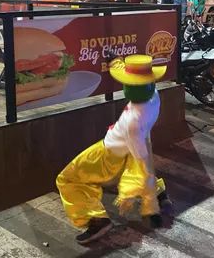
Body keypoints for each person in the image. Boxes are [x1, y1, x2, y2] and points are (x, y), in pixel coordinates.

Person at [56, 55, 173, 244]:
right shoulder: (154, 96)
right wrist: (116, 62)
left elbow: (144, 165)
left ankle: (95, 220)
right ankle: (161, 195)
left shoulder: (133, 122)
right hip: (133, 147)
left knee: (67, 179)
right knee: (134, 168)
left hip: (109, 154)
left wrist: (146, 202)